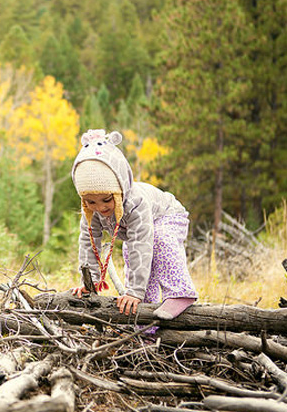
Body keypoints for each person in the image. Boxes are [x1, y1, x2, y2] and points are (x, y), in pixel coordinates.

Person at [70, 129, 197, 320]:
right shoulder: (91, 212)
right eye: (91, 202)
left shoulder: (136, 203)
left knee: (157, 241)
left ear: (120, 190)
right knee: (133, 256)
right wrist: (90, 283)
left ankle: (180, 293)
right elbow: (89, 243)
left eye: (106, 199)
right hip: (139, 232)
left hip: (168, 215)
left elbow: (141, 244)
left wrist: (133, 291)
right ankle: (146, 321)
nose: (100, 207)